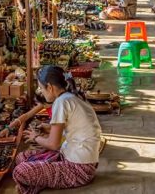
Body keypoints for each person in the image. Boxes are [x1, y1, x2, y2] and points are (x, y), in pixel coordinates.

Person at [13, 66, 101, 194]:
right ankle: (38, 182)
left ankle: (34, 185)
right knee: (22, 157)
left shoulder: (61, 102)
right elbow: (74, 128)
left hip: (79, 169)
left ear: (50, 87)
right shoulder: (72, 96)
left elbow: (54, 144)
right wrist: (48, 128)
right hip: (76, 159)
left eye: (41, 88)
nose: (41, 92)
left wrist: (35, 137)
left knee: (20, 172)